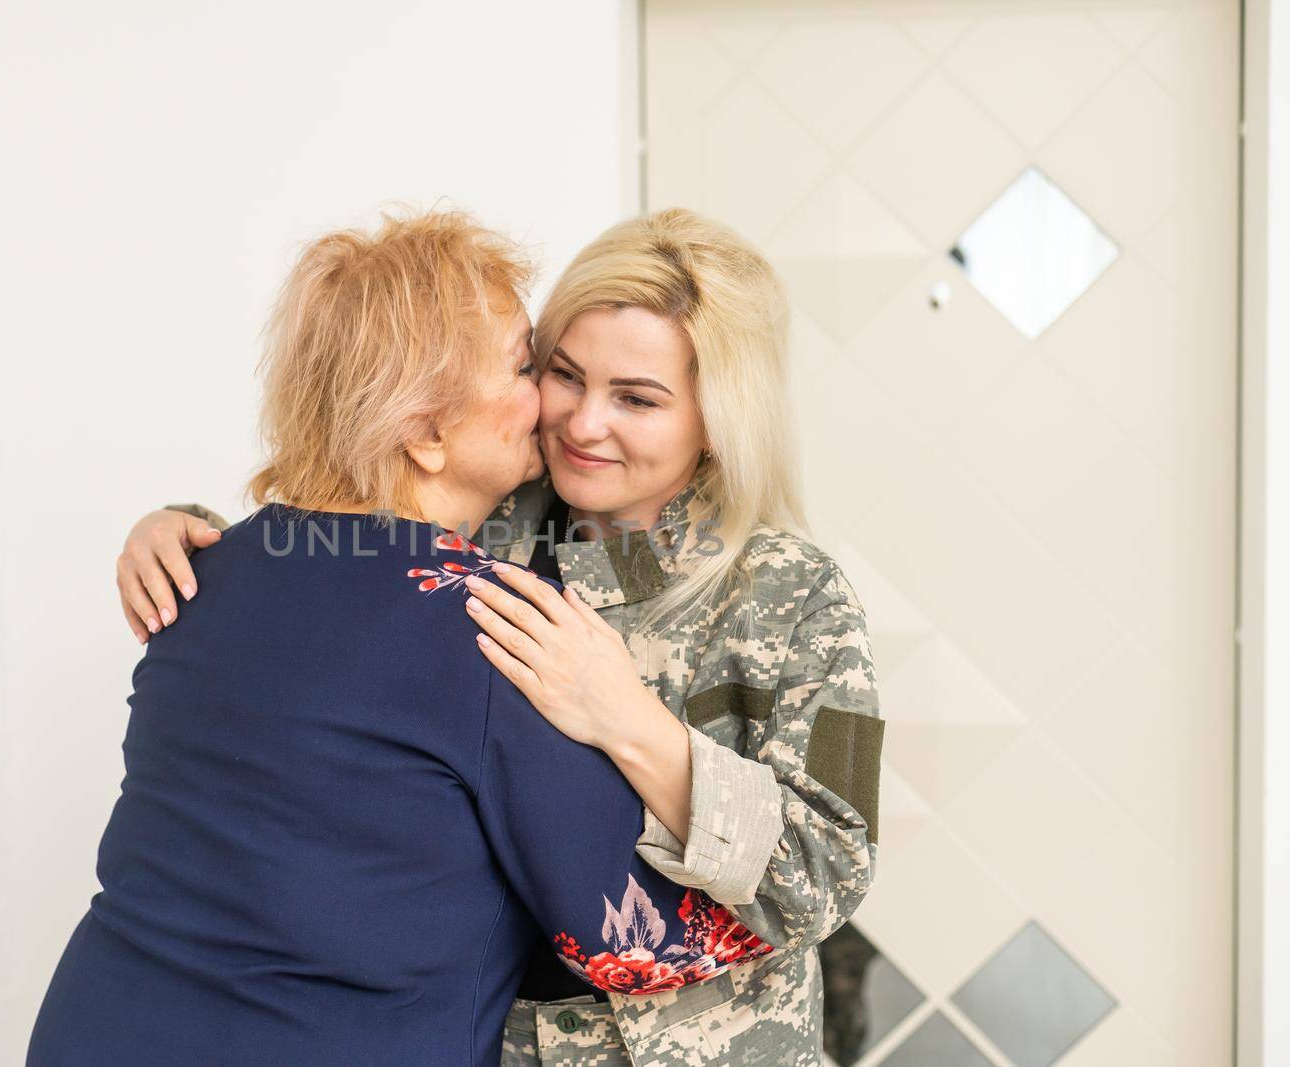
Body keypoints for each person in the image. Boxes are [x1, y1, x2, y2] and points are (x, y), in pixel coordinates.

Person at [122, 208, 885, 1066]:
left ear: (717, 417)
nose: (582, 423)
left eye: (636, 399)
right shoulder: (486, 522)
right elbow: (334, 565)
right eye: (559, 373)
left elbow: (831, 869)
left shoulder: (796, 594)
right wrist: (188, 533)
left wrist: (632, 723)